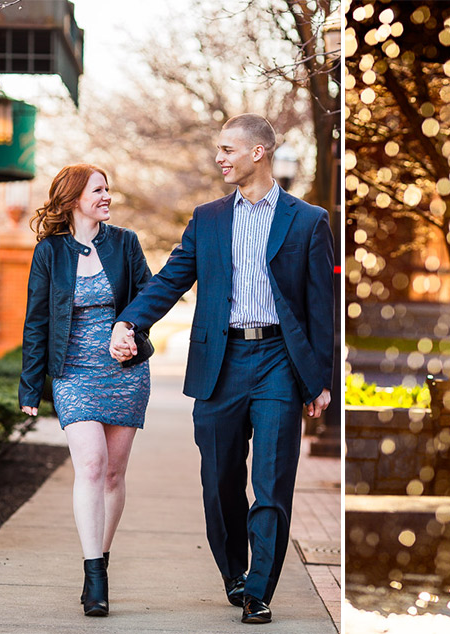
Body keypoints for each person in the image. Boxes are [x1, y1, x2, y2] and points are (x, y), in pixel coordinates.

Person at [109, 113, 334, 625]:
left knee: (273, 481)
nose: (220, 158)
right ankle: (235, 571)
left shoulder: (307, 220)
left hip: (280, 359)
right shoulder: (207, 218)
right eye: (219, 149)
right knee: (220, 481)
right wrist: (130, 321)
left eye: (228, 149)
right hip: (221, 361)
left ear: (259, 152)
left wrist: (319, 379)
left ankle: (260, 589)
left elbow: (322, 307)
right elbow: (170, 280)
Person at [19, 164, 152, 617]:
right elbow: (36, 320)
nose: (107, 196)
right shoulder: (50, 252)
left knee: (114, 474)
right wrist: (30, 387)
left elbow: (149, 297)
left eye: (108, 189)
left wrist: (129, 327)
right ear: (75, 197)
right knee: (91, 465)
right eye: (98, 190)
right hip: (73, 372)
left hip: (125, 373)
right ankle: (94, 574)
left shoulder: (126, 243)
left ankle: (102, 556)